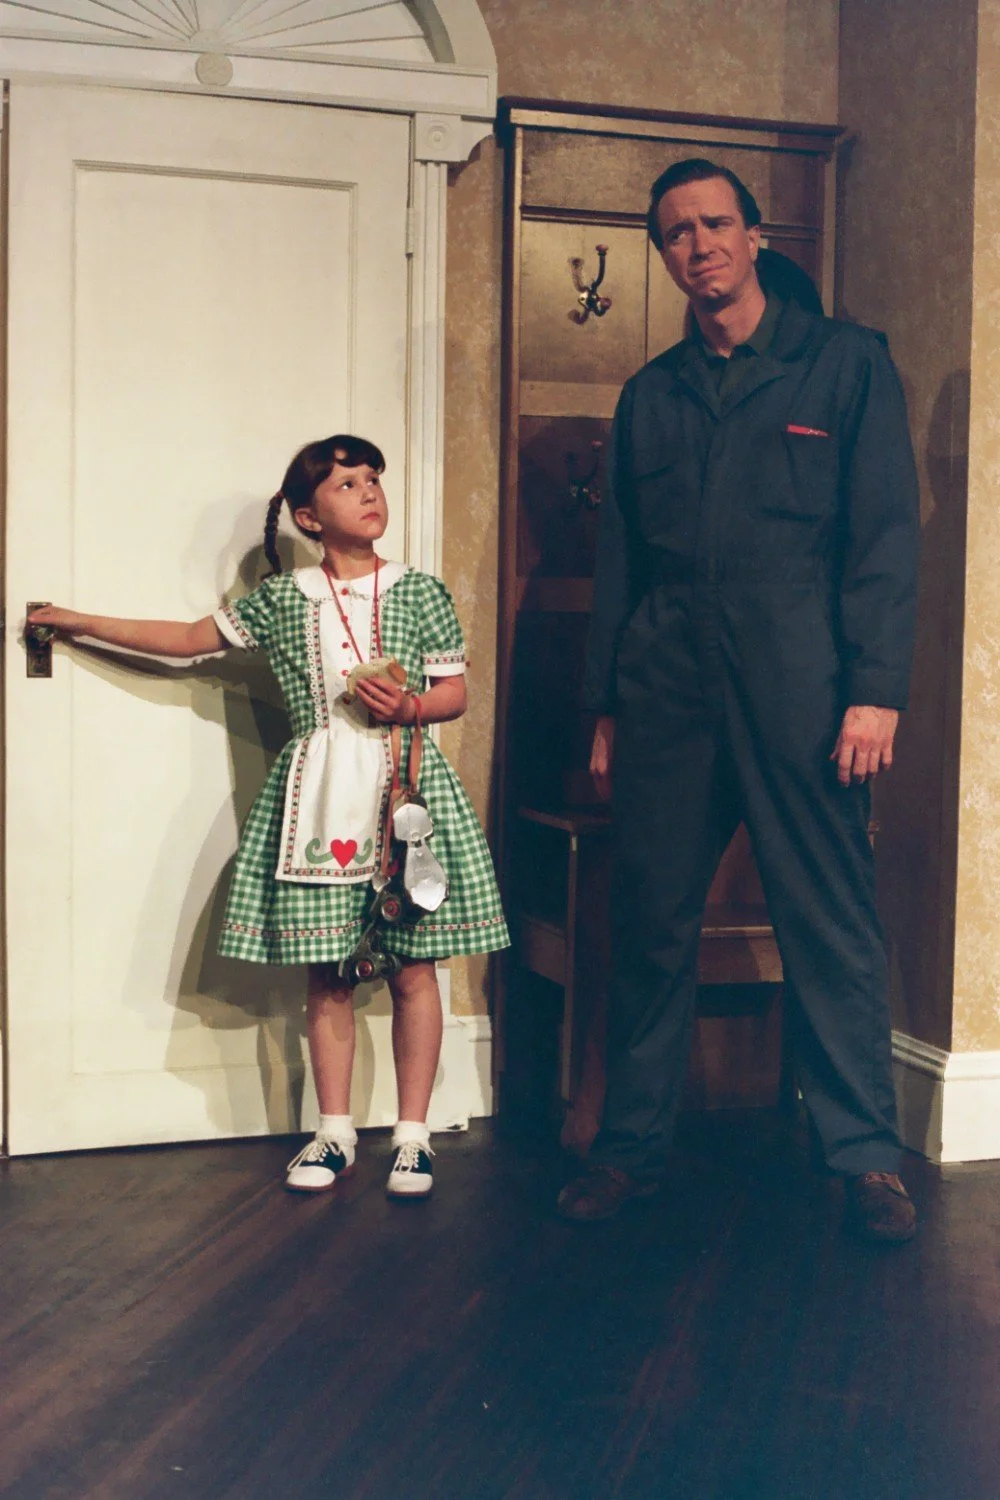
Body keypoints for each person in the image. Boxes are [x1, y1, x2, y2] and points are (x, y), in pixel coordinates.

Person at [556, 159, 921, 1243]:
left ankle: (865, 1158)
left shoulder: (844, 365)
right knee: (651, 919)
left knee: (828, 916)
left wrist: (874, 693)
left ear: (755, 236)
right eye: (677, 231)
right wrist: (607, 705)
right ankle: (630, 1149)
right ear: (663, 253)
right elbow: (621, 562)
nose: (699, 244)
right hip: (668, 677)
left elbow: (884, 538)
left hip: (800, 674)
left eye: (716, 223)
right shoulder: (650, 393)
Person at [29, 434, 509, 1199]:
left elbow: (454, 692)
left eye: (373, 478)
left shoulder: (420, 591)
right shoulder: (286, 600)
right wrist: (76, 621)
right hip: (321, 799)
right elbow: (189, 640)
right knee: (329, 970)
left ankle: (413, 1137)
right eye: (347, 483)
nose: (368, 491)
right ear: (307, 517)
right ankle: (335, 1131)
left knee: (417, 968)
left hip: (406, 794)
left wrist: (410, 706)